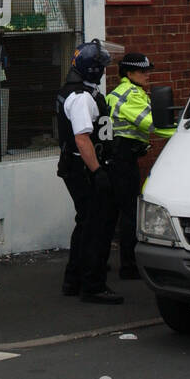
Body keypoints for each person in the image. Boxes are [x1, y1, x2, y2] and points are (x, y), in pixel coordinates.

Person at [57, 39, 123, 304]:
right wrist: (97, 171)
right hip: (84, 169)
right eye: (102, 66)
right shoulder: (82, 97)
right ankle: (93, 284)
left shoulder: (78, 91)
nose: (105, 70)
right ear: (92, 69)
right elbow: (82, 139)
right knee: (97, 225)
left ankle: (73, 279)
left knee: (85, 223)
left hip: (77, 167)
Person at [106, 53, 177, 279]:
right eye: (143, 71)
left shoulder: (120, 92)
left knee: (110, 214)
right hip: (122, 159)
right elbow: (154, 124)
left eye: (148, 70)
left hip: (115, 159)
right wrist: (184, 133)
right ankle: (129, 267)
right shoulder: (131, 95)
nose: (148, 75)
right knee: (130, 214)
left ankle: (98, 263)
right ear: (129, 73)